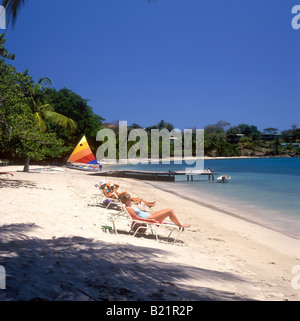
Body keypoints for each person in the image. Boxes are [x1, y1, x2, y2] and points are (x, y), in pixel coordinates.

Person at [120, 193, 190, 229]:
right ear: (126, 201)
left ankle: (179, 224)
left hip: (149, 216)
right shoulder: (128, 208)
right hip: (148, 218)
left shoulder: (128, 206)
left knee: (168, 210)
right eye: (129, 199)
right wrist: (150, 220)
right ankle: (180, 225)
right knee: (169, 211)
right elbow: (136, 218)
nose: (130, 200)